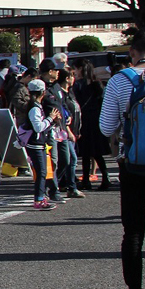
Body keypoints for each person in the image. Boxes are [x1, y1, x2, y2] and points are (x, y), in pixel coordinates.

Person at [98, 26, 145, 289]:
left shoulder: (120, 81)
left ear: (133, 52)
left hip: (132, 163)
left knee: (133, 232)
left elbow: (106, 126)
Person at [19, 78, 60, 210]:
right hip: (35, 143)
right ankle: (39, 199)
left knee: (42, 172)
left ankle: (41, 196)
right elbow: (38, 127)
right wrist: (50, 118)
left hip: (37, 143)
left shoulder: (35, 106)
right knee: (41, 172)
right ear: (42, 92)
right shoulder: (35, 108)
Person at [73, 60, 111, 190]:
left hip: (84, 120)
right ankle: (105, 178)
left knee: (85, 152)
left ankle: (86, 180)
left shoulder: (78, 85)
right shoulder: (98, 84)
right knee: (97, 152)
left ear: (79, 69)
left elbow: (76, 103)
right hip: (97, 120)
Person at [52, 68, 84, 198]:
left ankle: (60, 184)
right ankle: (67, 185)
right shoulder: (60, 94)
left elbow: (72, 114)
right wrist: (69, 131)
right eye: (72, 76)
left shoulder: (70, 93)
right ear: (67, 78)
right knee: (70, 159)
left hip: (73, 131)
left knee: (69, 159)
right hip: (64, 132)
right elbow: (63, 116)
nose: (74, 78)